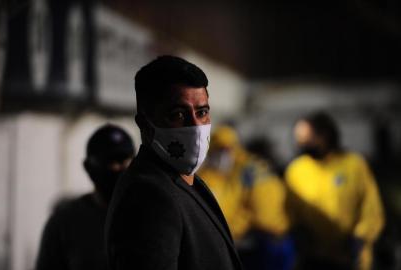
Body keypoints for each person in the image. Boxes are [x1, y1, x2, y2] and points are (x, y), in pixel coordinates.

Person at [105, 56, 242, 270]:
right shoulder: (148, 195)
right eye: (178, 114)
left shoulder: (184, 179)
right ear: (145, 125)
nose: (196, 127)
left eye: (202, 112)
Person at [285, 111, 385, 270]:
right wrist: (297, 233)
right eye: (298, 138)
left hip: (352, 258)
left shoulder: (354, 165)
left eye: (306, 138)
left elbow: (371, 208)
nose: (301, 143)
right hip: (313, 259)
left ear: (324, 136)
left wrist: (361, 237)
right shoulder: (296, 170)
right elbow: (290, 210)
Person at [35, 124, 135, 270]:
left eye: (123, 160)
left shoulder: (154, 215)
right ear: (88, 167)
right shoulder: (65, 222)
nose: (116, 168)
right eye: (109, 161)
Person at [199, 125, 294, 270]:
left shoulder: (246, 171)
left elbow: (259, 212)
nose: (221, 155)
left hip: (265, 241)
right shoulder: (212, 173)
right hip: (248, 240)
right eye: (218, 150)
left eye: (226, 150)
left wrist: (233, 232)